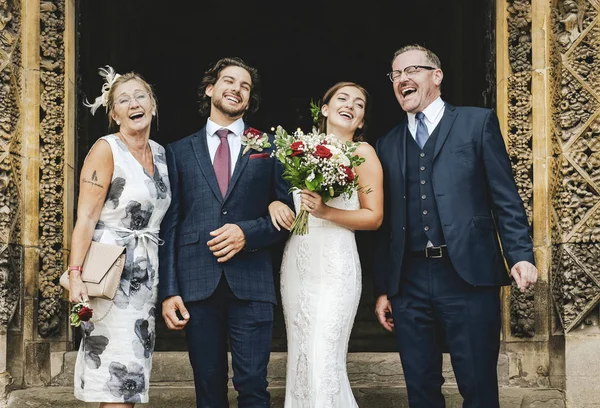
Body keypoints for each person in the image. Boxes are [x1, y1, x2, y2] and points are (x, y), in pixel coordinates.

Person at [373, 44, 539, 407]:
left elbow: (505, 197)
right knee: (420, 387)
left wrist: (520, 255)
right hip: (409, 282)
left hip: (468, 275)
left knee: (478, 386)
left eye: (412, 70)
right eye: (396, 74)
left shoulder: (476, 123)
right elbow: (385, 227)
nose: (403, 79)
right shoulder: (386, 144)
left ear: (437, 76)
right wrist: (386, 287)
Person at [157, 57, 291, 408]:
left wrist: (248, 232)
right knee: (208, 388)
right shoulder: (178, 151)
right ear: (210, 88)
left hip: (252, 283)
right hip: (197, 284)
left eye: (245, 86)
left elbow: (291, 216)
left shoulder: (269, 146)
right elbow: (170, 224)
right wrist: (169, 291)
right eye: (229, 81)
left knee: (253, 386)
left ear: (249, 99)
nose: (237, 89)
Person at [268, 81, 384, 407]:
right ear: (325, 108)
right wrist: (272, 205)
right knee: (301, 359)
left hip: (337, 265)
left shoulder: (362, 154)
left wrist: (326, 211)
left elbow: (374, 217)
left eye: (359, 104)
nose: (350, 105)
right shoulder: (299, 151)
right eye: (343, 99)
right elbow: (280, 197)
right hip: (298, 264)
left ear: (361, 121)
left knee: (324, 358)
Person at [68, 66, 171, 406]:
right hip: (111, 276)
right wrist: (76, 274)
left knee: (132, 382)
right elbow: (85, 217)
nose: (133, 103)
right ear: (114, 113)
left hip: (145, 278)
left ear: (153, 105)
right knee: (116, 380)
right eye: (123, 100)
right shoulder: (106, 149)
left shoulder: (161, 154)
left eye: (140, 96)